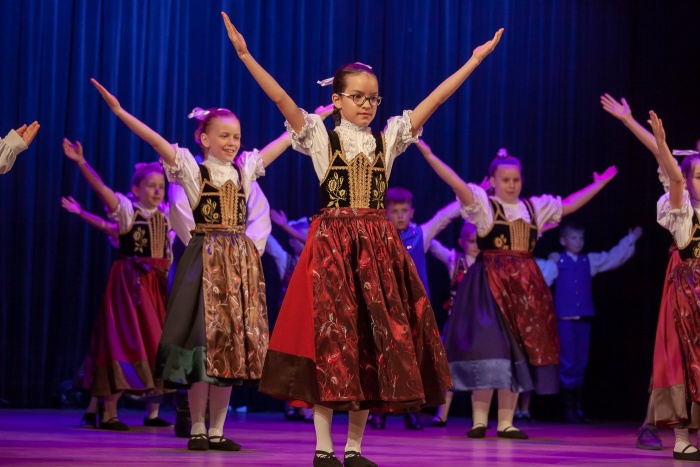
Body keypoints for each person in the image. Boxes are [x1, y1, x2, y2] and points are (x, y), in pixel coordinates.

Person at [222, 11, 503, 466]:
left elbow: (434, 101)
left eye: (373, 98)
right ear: (336, 100)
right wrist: (245, 55)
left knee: (370, 342)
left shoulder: (387, 140)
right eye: (357, 97)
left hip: (375, 248)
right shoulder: (321, 138)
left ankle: (353, 448)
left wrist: (472, 61)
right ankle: (323, 447)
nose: (367, 105)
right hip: (332, 247)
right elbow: (281, 99)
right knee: (329, 340)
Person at [91, 79, 289, 451]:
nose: (232, 142)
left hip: (238, 265)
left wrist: (313, 119)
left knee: (229, 347)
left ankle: (217, 430)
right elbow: (156, 142)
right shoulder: (194, 172)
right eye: (224, 136)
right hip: (206, 260)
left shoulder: (244, 171)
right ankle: (197, 426)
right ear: (204, 139)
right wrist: (120, 112)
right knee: (202, 345)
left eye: (236, 136)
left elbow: (280, 144)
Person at [417, 142, 617, 440]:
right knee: (489, 350)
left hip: (523, 289)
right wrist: (430, 155)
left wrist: (597, 185)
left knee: (514, 352)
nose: (511, 185)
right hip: (488, 287)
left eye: (516, 179)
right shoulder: (485, 207)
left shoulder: (533, 208)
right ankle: (479, 420)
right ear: (493, 181)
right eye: (505, 180)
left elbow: (569, 205)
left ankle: (506, 422)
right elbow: (457, 184)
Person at [64, 138, 172, 431]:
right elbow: (101, 190)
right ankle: (108, 412)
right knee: (123, 340)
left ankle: (152, 412)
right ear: (136, 189)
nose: (157, 191)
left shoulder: (167, 215)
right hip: (130, 285)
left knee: (158, 342)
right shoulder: (126, 211)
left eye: (161, 187)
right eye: (151, 186)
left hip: (156, 285)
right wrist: (81, 162)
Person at [601, 93, 680, 451]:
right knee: (674, 350)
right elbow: (662, 155)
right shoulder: (682, 193)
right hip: (687, 276)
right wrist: (628, 120)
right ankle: (650, 421)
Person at [368, 183, 460, 431]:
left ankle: (411, 412)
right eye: (395, 211)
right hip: (386, 307)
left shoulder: (421, 234)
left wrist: (472, 195)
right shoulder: (377, 237)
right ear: (385, 213)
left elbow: (444, 217)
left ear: (411, 212)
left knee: (412, 363)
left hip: (413, 310)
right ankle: (379, 412)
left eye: (404, 211)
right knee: (383, 359)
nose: (400, 215)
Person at [549, 221, 642, 423]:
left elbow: (612, 257)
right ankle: (568, 408)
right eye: (573, 238)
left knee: (581, 363)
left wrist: (631, 238)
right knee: (567, 362)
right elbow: (540, 273)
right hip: (565, 320)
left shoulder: (588, 260)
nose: (578, 242)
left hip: (583, 318)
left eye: (580, 238)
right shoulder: (557, 262)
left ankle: (578, 407)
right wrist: (551, 259)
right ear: (563, 241)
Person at [647, 110, 700, 461]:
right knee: (685, 360)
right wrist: (662, 144)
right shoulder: (684, 215)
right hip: (690, 297)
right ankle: (683, 438)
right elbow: (676, 182)